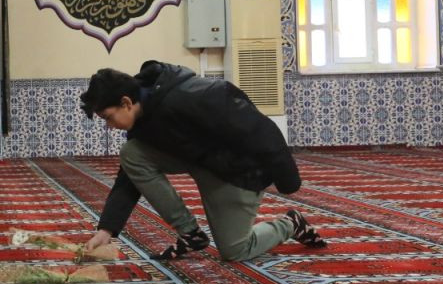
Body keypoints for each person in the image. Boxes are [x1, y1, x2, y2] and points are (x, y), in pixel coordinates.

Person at [80, 60, 326, 261]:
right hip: (201, 159)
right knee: (132, 154)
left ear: (125, 102)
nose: (109, 126)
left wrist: (288, 181)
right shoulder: (142, 119)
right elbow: (130, 177)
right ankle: (191, 233)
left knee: (235, 250)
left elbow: (260, 129)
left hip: (236, 168)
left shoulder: (188, 97)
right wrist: (107, 230)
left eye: (108, 117)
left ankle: (289, 224)